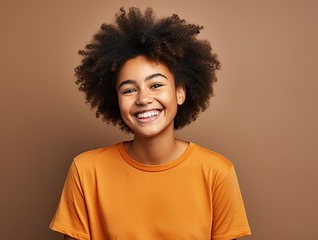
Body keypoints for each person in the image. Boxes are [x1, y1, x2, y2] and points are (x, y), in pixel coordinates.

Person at [50, 7, 251, 240]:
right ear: (116, 100)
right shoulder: (86, 171)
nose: (143, 99)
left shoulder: (217, 173)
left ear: (179, 93)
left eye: (156, 85)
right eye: (129, 90)